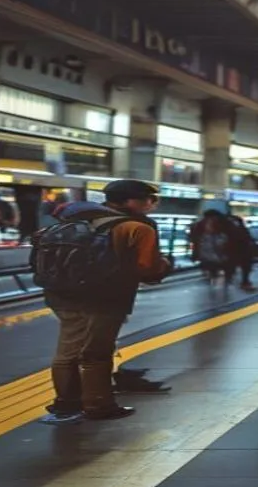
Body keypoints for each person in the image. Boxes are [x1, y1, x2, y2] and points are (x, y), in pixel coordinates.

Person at [32, 180, 171, 423]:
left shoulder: (74, 218)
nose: (152, 205)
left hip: (61, 294)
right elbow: (148, 270)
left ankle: (66, 403)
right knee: (96, 353)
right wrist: (166, 265)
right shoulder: (137, 228)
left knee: (68, 349)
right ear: (132, 201)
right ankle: (98, 405)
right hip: (105, 297)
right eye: (150, 199)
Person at [190, 211, 236, 286]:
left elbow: (194, 236)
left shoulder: (200, 224)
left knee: (210, 260)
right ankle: (223, 275)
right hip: (218, 247)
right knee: (221, 261)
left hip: (208, 246)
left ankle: (212, 274)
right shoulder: (225, 223)